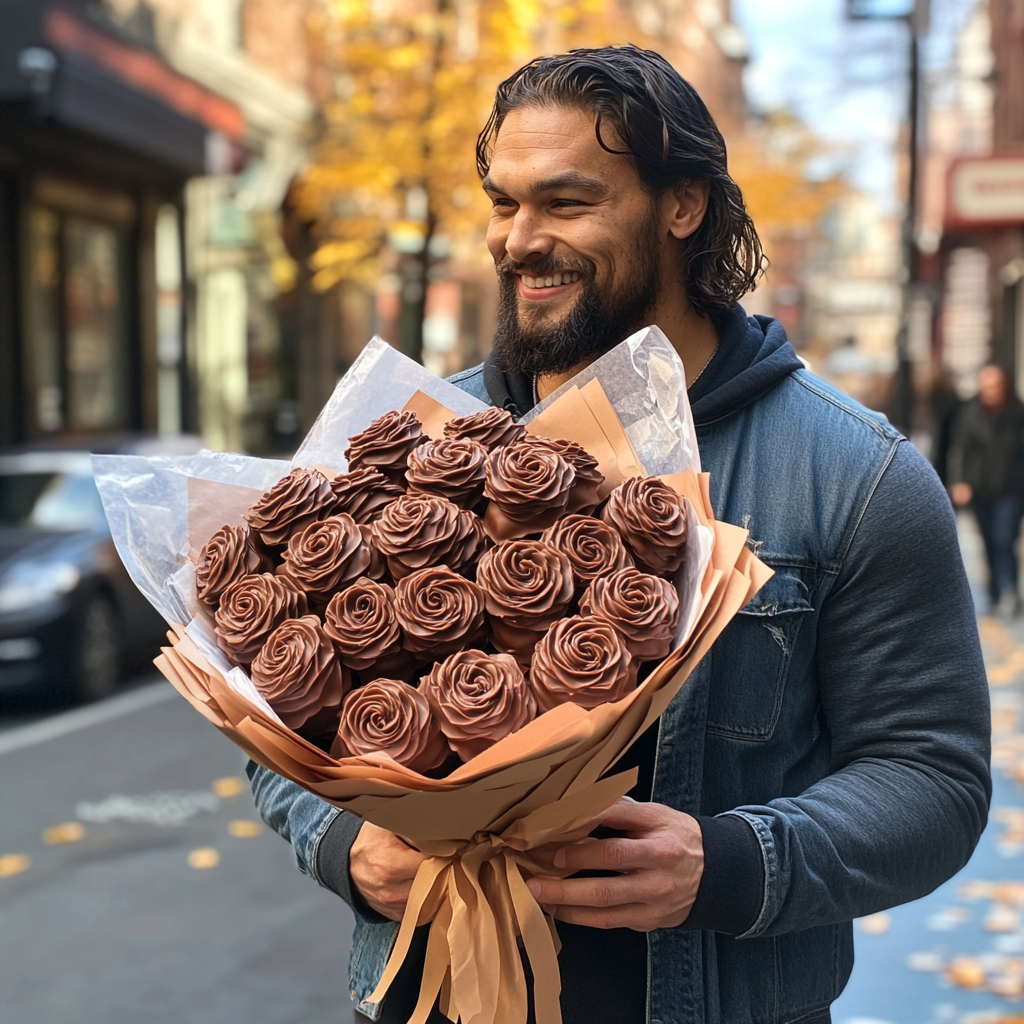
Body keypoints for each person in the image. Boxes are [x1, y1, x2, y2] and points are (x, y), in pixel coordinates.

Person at [249, 46, 990, 1024]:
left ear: (682, 206)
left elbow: (931, 778)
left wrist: (729, 865)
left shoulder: (854, 475)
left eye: (564, 203)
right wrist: (345, 843)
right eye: (504, 203)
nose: (518, 240)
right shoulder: (403, 442)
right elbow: (271, 711)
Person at [950, 363, 1024, 615]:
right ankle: (993, 592)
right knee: (989, 542)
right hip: (981, 489)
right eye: (985, 384)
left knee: (1005, 540)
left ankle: (1011, 591)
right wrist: (960, 481)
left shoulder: (1018, 414)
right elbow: (960, 450)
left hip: (1011, 488)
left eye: (994, 384)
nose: (989, 389)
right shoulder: (970, 413)